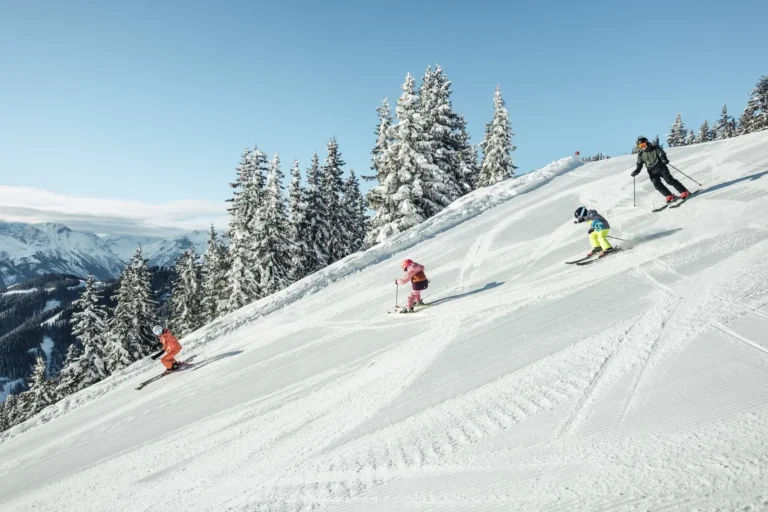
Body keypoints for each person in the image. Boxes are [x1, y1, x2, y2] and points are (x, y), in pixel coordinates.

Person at [631, 136, 690, 203]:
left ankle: (684, 191)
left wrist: (664, 159)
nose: (642, 147)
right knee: (656, 184)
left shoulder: (655, 148)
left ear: (646, 143)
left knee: (669, 180)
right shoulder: (641, 155)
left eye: (643, 145)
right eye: (640, 146)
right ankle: (669, 195)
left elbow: (662, 154)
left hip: (660, 166)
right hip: (651, 171)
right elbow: (639, 164)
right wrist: (636, 171)